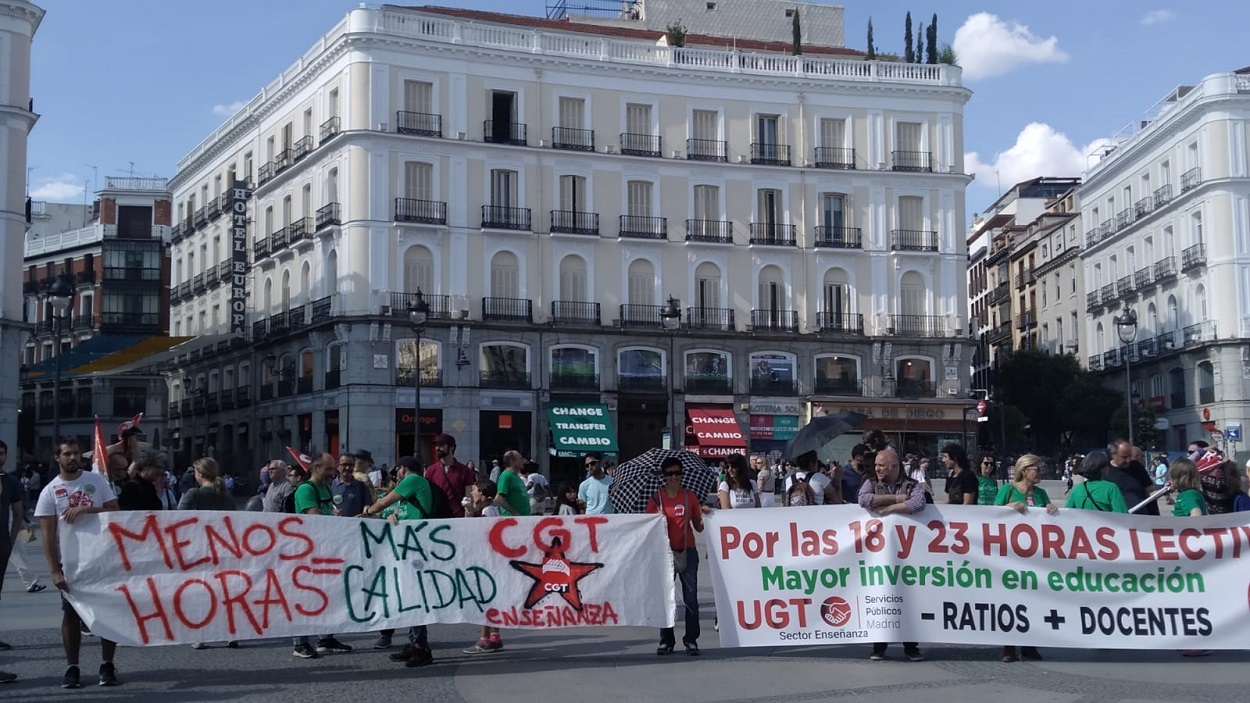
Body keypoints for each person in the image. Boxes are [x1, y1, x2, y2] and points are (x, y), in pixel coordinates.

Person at [35, 438, 121, 688]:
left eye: (75, 454)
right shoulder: (50, 491)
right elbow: (48, 535)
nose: (72, 458)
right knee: (71, 614)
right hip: (71, 563)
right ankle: (72, 667)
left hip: (102, 558)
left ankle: (107, 664)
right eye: (67, 454)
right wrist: (53, 570)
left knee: (106, 610)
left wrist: (87, 510)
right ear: (57, 458)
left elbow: (116, 512)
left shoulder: (96, 481)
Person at [362, 456, 436, 666]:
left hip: (416, 545)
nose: (396, 475)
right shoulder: (411, 488)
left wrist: (369, 510)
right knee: (408, 596)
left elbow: (385, 502)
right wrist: (390, 515)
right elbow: (391, 509)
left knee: (414, 596)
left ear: (403, 468)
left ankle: (421, 648)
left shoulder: (413, 480)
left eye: (398, 471)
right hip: (406, 545)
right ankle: (415, 643)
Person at [857, 448, 927, 662]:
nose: (876, 468)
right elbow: (863, 499)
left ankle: (911, 646)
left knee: (907, 597)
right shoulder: (870, 482)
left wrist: (889, 509)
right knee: (881, 596)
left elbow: (917, 503)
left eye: (881, 465)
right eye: (876, 464)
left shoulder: (913, 485)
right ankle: (879, 645)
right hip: (878, 553)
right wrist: (896, 498)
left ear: (894, 467)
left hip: (907, 553)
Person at [993, 454, 1057, 663]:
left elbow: (1049, 520)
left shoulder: (1041, 494)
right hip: (1011, 554)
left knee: (1033, 598)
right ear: (1025, 470)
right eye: (1036, 469)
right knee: (1011, 599)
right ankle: (1009, 646)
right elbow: (989, 515)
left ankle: (1029, 645)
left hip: (1035, 556)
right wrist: (1007, 507)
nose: (1040, 472)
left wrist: (1051, 509)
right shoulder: (1008, 490)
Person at [289, 453, 352, 658]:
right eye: (329, 468)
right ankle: (300, 642)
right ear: (315, 467)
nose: (333, 473)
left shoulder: (325, 488)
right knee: (306, 596)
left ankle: (326, 637)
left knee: (329, 594)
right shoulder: (306, 490)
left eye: (333, 468)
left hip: (325, 550)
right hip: (308, 552)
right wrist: (331, 519)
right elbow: (314, 519)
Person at [647, 456, 710, 656]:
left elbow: (699, 527)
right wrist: (656, 519)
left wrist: (705, 513)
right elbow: (647, 529)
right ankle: (666, 640)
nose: (674, 477)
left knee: (691, 598)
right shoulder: (656, 499)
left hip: (688, 551)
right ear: (664, 477)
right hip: (665, 554)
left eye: (677, 473)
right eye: (670, 474)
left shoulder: (689, 497)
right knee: (666, 598)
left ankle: (691, 639)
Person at [1168, 457, 1211, 657]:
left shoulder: (1189, 496)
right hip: (1190, 553)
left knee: (1189, 597)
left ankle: (1195, 640)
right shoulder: (1190, 494)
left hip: (1188, 554)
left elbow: (1196, 517)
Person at [1, 441, 47, 602]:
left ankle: (31, 581)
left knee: (17, 552)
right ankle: (31, 581)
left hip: (11, 521)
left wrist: (23, 521)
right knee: (17, 553)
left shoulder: (11, 480)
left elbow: (17, 507)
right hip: (10, 521)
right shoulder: (13, 478)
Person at [424, 434, 475, 518]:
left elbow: (468, 496)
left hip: (457, 516)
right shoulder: (431, 470)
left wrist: (468, 514)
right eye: (436, 445)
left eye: (441, 445)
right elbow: (427, 495)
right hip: (437, 516)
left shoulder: (464, 471)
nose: (437, 448)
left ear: (451, 447)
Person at [1108, 439, 1157, 515]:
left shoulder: (1137, 467)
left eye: (1130, 456)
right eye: (1124, 457)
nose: (1128, 460)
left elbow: (1149, 491)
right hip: (1117, 517)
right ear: (1113, 455)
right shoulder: (1105, 470)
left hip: (1141, 515)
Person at [332, 452, 372, 517]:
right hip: (335, 525)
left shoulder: (362, 486)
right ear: (337, 466)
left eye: (350, 465)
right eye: (344, 464)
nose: (347, 468)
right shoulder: (329, 485)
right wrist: (330, 512)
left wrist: (365, 511)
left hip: (355, 525)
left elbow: (368, 505)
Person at [494, 450, 531, 517]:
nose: (523, 461)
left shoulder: (516, 476)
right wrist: (514, 512)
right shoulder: (506, 476)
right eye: (520, 459)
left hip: (523, 518)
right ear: (512, 461)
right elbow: (499, 498)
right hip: (512, 520)